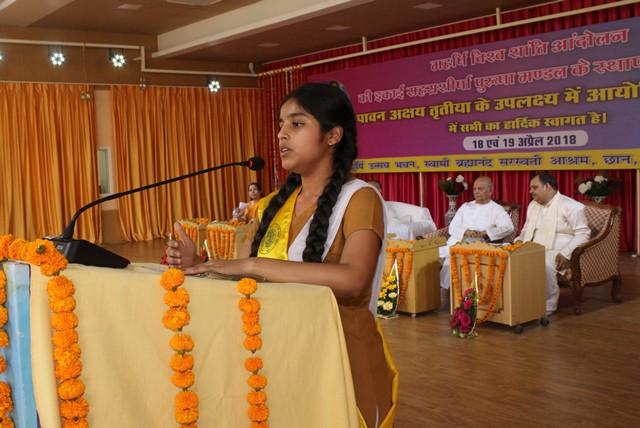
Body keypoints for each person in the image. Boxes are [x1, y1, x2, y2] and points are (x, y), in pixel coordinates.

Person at [166, 82, 394, 427]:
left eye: (297, 124)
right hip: (277, 354)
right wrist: (196, 267)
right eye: (281, 125)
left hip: (340, 358)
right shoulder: (272, 205)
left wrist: (255, 264)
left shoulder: (359, 199)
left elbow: (353, 281)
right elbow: (241, 280)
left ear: (333, 136)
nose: (281, 135)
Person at [517, 172, 590, 316]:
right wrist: (519, 241)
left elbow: (583, 234)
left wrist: (565, 253)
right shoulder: (533, 205)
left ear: (547, 186)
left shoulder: (571, 206)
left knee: (542, 261)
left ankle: (547, 305)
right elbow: (526, 229)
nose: (530, 191)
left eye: (534, 187)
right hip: (532, 247)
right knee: (509, 257)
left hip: (558, 250)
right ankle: (521, 300)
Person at [440, 176, 514, 290]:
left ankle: (453, 292)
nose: (476, 192)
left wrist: (486, 233)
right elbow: (452, 227)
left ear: (490, 191)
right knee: (427, 256)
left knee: (452, 261)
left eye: (480, 189)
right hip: (455, 242)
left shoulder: (496, 209)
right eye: (474, 189)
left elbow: (508, 227)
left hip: (477, 246)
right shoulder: (465, 206)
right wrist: (466, 231)